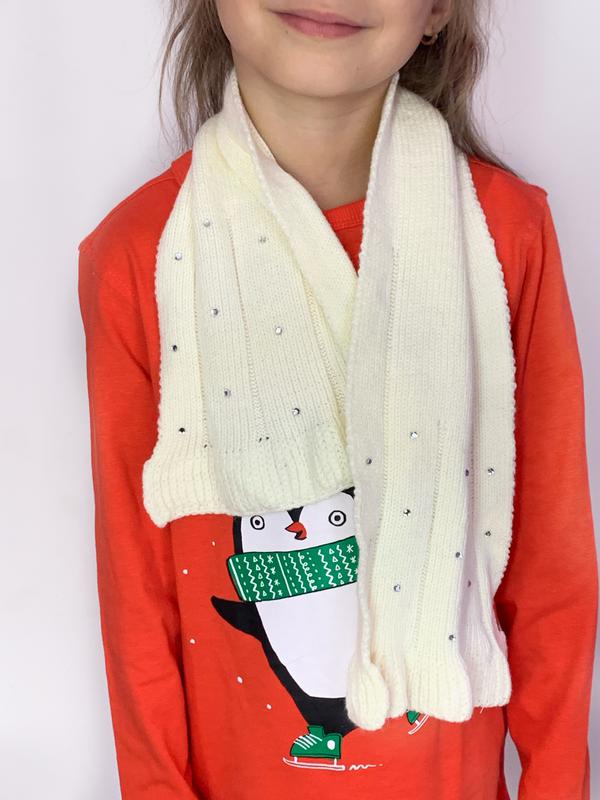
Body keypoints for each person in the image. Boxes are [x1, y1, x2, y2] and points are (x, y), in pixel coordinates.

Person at [77, 2, 598, 798]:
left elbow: (551, 570)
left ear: (436, 11)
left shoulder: (508, 235)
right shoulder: (135, 257)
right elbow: (136, 598)